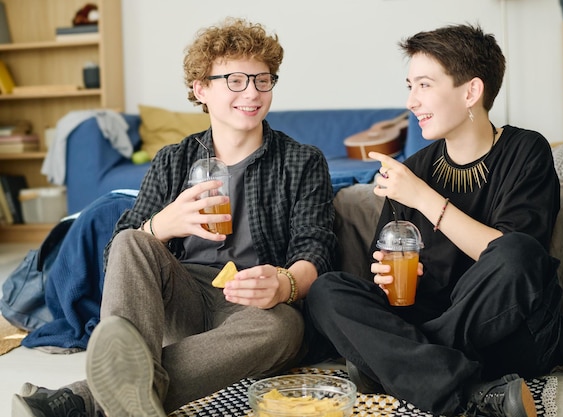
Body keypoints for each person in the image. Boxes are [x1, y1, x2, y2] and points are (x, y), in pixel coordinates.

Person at [13, 17, 337, 417]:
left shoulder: (302, 161)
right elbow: (119, 255)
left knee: (284, 328)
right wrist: (161, 226)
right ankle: (111, 396)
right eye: (235, 80)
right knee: (134, 239)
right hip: (183, 299)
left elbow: (316, 248)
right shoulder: (173, 160)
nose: (251, 92)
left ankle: (79, 401)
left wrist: (285, 283)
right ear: (201, 89)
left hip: (255, 309)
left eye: (262, 79)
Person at [304, 24, 563, 417]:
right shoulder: (414, 168)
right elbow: (389, 278)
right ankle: (463, 390)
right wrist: (387, 276)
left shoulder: (525, 150)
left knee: (516, 251)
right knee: (327, 290)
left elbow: (516, 262)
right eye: (409, 86)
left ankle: (398, 364)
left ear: (471, 91)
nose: (412, 101)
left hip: (511, 333)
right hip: (430, 318)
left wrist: (423, 198)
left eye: (424, 85)